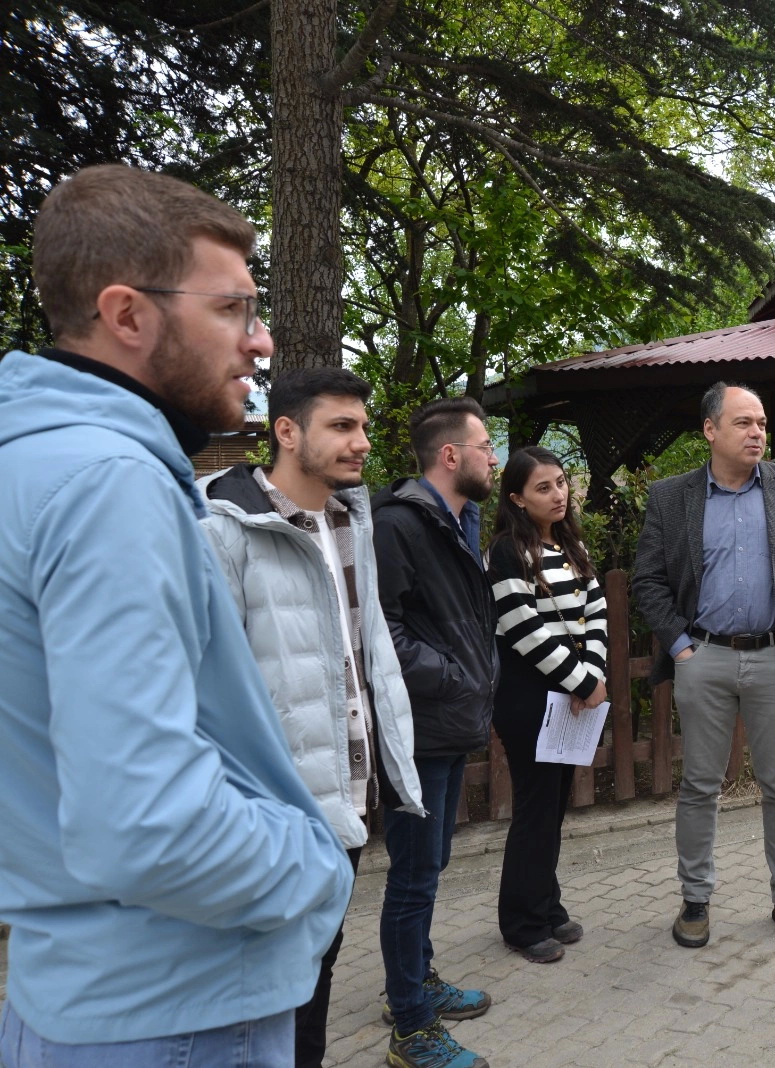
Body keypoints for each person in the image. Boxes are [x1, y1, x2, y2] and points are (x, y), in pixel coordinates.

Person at [0, 164, 352, 1065]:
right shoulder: (108, 485)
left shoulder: (29, 466)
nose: (261, 342)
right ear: (127, 316)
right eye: (232, 309)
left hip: (75, 997)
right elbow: (146, 823)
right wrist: (311, 868)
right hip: (180, 1009)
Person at [199, 366, 426, 1068]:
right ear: (287, 431)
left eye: (364, 426)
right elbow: (205, 687)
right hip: (274, 809)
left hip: (348, 795)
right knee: (266, 984)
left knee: (318, 965)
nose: (362, 441)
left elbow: (368, 649)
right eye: (342, 426)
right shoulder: (223, 529)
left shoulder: (353, 519)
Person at [632, 382, 775, 951]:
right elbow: (647, 580)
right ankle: (695, 899)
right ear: (710, 430)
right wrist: (681, 647)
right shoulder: (671, 497)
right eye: (744, 422)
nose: (757, 433)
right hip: (703, 657)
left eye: (762, 423)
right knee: (700, 785)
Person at [371, 397, 500, 1068]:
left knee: (431, 866)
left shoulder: (459, 520)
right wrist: (453, 676)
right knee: (413, 877)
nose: (494, 458)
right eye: (485, 446)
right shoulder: (398, 525)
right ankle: (411, 1025)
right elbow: (382, 631)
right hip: (417, 729)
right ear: (450, 455)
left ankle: (415, 980)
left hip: (447, 725)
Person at [485, 447, 607, 965]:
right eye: (543, 487)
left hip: (570, 692)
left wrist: (592, 675)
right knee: (535, 810)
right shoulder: (506, 551)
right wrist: (581, 681)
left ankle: (546, 905)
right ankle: (522, 923)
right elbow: (523, 630)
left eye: (560, 482)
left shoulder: (571, 544)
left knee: (553, 808)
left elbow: (596, 611)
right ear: (516, 498)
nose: (558, 494)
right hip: (528, 695)